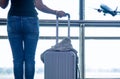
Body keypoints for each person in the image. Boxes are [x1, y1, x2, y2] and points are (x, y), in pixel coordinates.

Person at [0, 0, 66, 79]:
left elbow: (3, 5)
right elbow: (39, 5)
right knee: (30, 59)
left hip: (13, 20)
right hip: (31, 20)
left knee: (17, 59)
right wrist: (56, 12)